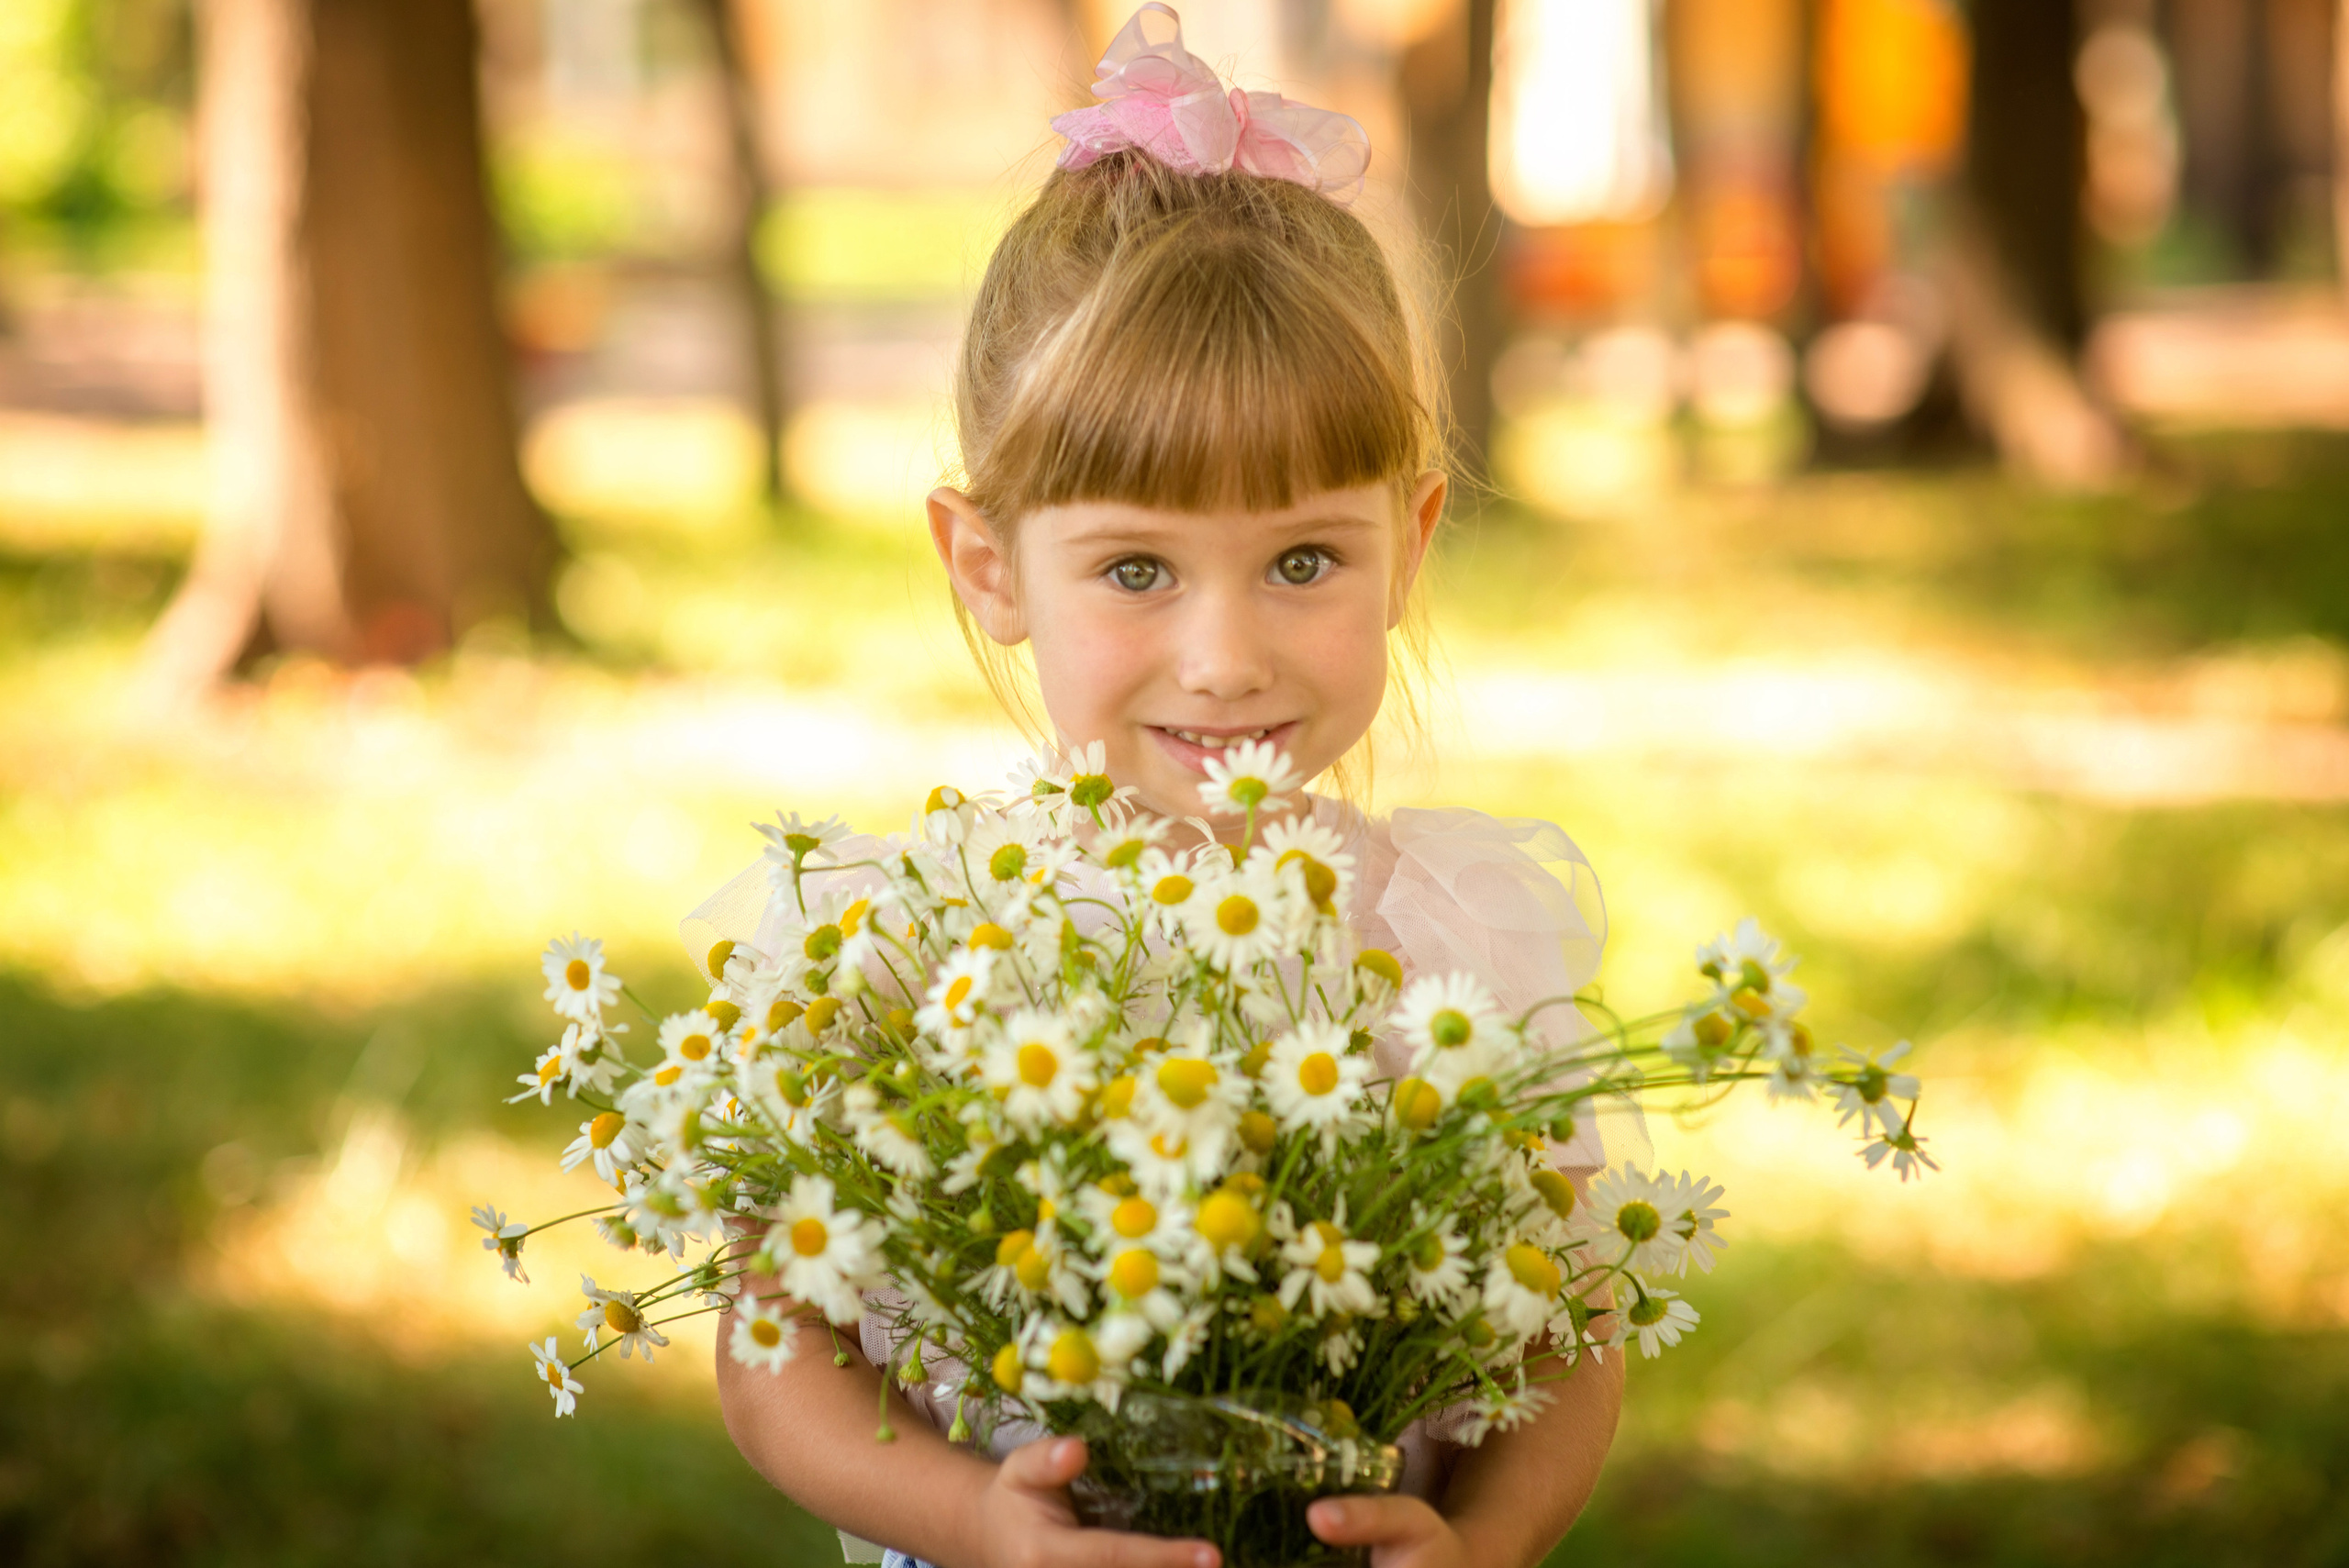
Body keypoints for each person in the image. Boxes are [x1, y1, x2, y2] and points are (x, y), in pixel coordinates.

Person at [708, 8, 1624, 1565]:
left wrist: (1486, 1536)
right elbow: (775, 1342)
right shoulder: (921, 935)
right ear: (988, 566)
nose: (1223, 656)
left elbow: (1568, 1338)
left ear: (1409, 538)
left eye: (1303, 560)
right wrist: (970, 1518)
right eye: (1136, 566)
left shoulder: (1452, 947)